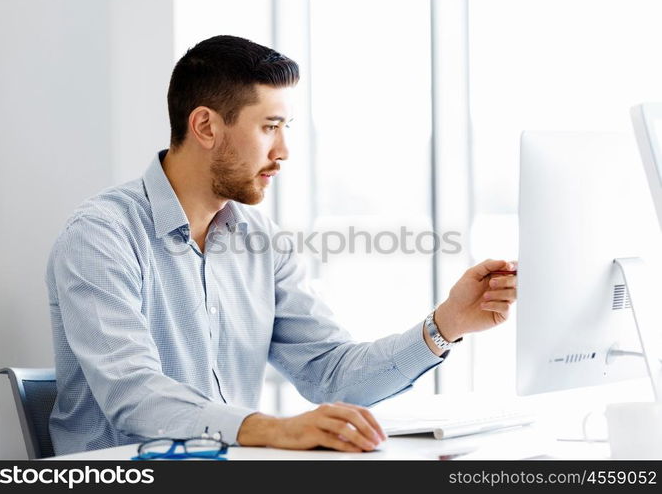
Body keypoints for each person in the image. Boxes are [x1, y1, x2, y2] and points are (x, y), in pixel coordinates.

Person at [46, 35, 517, 456]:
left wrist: (447, 323)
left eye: (286, 127)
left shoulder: (261, 240)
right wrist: (273, 429)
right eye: (270, 126)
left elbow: (330, 373)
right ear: (206, 127)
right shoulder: (101, 234)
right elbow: (134, 395)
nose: (284, 151)